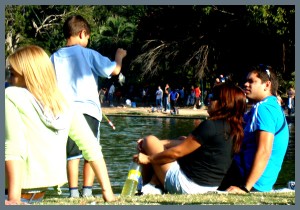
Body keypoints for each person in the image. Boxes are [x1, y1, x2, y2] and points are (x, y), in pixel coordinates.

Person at [5, 45, 116, 205]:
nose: (9, 80)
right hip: (37, 196)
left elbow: (14, 148)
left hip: (12, 194)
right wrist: (107, 191)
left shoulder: (11, 96)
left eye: (13, 74)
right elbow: (91, 147)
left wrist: (13, 199)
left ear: (29, 75)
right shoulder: (63, 104)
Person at [50, 15, 127, 198]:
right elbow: (115, 70)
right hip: (89, 111)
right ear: (83, 33)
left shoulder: (53, 57)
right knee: (91, 150)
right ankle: (87, 191)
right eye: (88, 37)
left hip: (64, 112)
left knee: (72, 154)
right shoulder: (89, 54)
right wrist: (119, 56)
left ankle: (73, 193)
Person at [134, 83, 246, 194]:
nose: (209, 100)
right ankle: (154, 183)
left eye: (213, 97)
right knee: (182, 139)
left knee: (150, 141)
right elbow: (187, 143)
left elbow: (177, 153)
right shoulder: (234, 129)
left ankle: (147, 185)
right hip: (208, 187)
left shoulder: (211, 125)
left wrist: (148, 159)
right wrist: (161, 143)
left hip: (187, 186)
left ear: (224, 103)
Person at [218, 65, 289, 193]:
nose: (245, 84)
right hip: (247, 175)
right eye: (246, 81)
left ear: (267, 85)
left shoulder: (264, 109)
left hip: (247, 179)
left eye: (251, 81)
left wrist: (245, 188)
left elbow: (264, 150)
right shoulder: (267, 106)